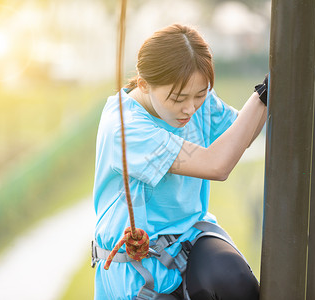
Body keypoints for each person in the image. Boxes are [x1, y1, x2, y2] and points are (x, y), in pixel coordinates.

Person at [92, 24, 268, 300]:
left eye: (200, 95)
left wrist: (270, 92)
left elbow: (241, 134)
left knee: (236, 284)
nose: (190, 108)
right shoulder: (126, 129)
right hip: (138, 266)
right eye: (178, 99)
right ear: (143, 84)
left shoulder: (196, 100)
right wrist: (264, 94)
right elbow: (216, 165)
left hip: (191, 240)